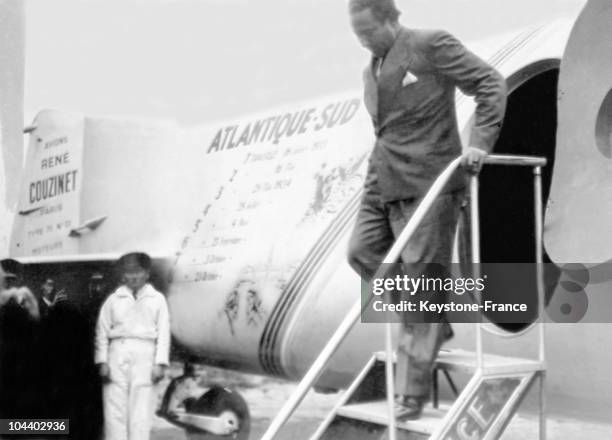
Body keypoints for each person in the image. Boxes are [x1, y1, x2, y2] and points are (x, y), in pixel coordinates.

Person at [347, 0, 507, 419]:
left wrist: (480, 144)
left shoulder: (428, 43)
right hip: (381, 179)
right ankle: (434, 323)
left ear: (391, 18)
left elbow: (490, 82)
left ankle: (412, 393)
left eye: (368, 32)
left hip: (431, 180)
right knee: (362, 254)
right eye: (357, 35)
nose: (364, 42)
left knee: (422, 280)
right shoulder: (370, 70)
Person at [95, 252, 171, 440]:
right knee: (115, 410)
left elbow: (163, 333)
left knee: (141, 411)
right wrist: (102, 361)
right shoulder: (113, 300)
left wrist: (160, 363)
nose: (134, 277)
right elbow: (102, 332)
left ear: (147, 273)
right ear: (123, 275)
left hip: (145, 356)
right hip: (117, 355)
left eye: (138, 272)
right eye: (129, 272)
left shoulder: (157, 299)